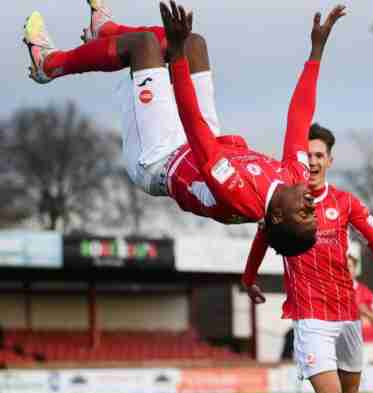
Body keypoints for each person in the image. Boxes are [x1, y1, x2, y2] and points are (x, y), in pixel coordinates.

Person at [22, 0, 346, 257]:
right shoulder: (296, 179)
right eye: (313, 213)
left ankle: (49, 65)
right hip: (199, 141)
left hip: (160, 157)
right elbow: (299, 118)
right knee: (194, 44)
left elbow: (196, 130)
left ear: (276, 217)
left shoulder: (240, 197)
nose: (310, 205)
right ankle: (105, 31)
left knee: (145, 45)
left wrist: (174, 57)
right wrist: (316, 51)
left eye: (304, 215)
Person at [242, 122, 373, 393]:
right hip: (310, 316)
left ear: (329, 160)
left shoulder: (344, 202)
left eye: (318, 155)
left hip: (347, 314)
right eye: (307, 155)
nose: (312, 161)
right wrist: (249, 277)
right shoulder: (282, 203)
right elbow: (260, 239)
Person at [348, 253, 373, 327]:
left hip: (360, 336)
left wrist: (365, 312)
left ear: (355, 269)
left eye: (349, 266)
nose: (346, 269)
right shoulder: (331, 290)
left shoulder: (365, 292)